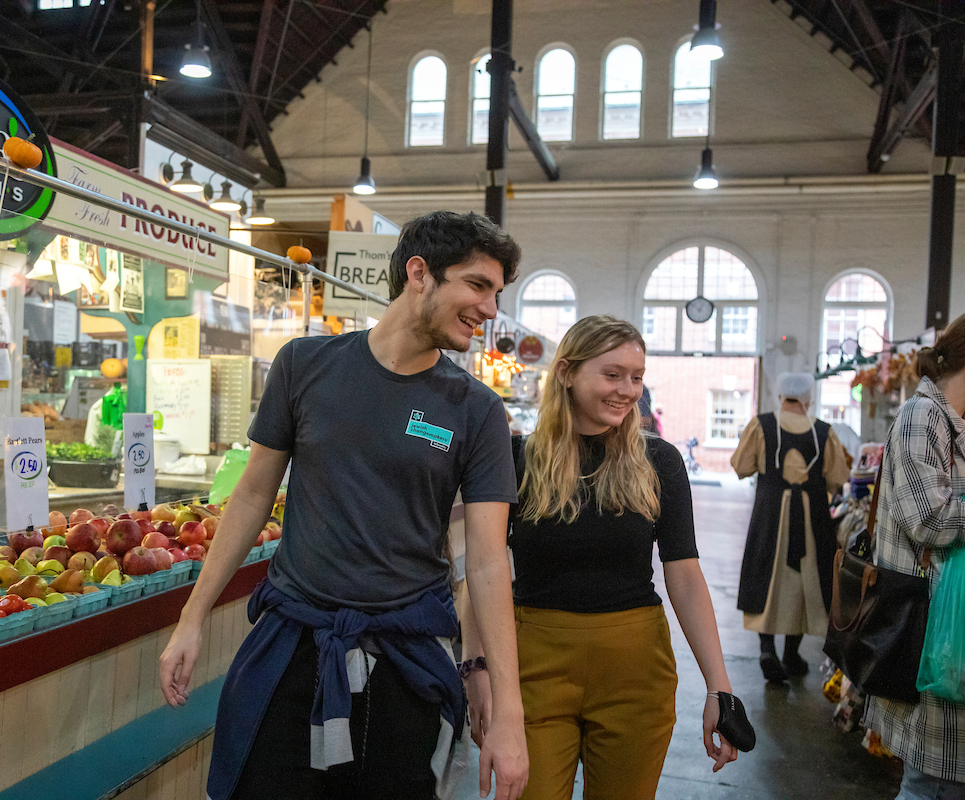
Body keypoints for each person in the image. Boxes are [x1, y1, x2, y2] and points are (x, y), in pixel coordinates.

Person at [158, 211, 529, 800]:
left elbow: (487, 563)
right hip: (292, 650)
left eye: (496, 292)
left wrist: (509, 711)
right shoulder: (305, 366)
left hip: (404, 667)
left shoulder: (477, 411)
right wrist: (192, 618)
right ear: (419, 273)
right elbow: (253, 495)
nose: (490, 308)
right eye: (477, 285)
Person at [463, 315, 738, 800]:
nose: (627, 390)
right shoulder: (513, 459)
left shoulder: (659, 462)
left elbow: (685, 574)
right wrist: (476, 668)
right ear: (566, 372)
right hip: (532, 663)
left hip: (635, 668)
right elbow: (484, 571)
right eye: (612, 375)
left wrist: (719, 685)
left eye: (636, 376)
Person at [863, 315, 965, 800]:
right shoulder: (923, 418)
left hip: (948, 626)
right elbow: (931, 520)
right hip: (932, 627)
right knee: (934, 783)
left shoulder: (950, 421)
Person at [732, 372, 850, 683]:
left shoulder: (762, 424)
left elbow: (742, 466)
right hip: (812, 517)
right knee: (805, 581)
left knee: (766, 574)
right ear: (809, 399)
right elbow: (838, 476)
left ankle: (767, 649)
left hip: (770, 513)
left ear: (780, 397)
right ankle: (791, 654)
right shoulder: (824, 432)